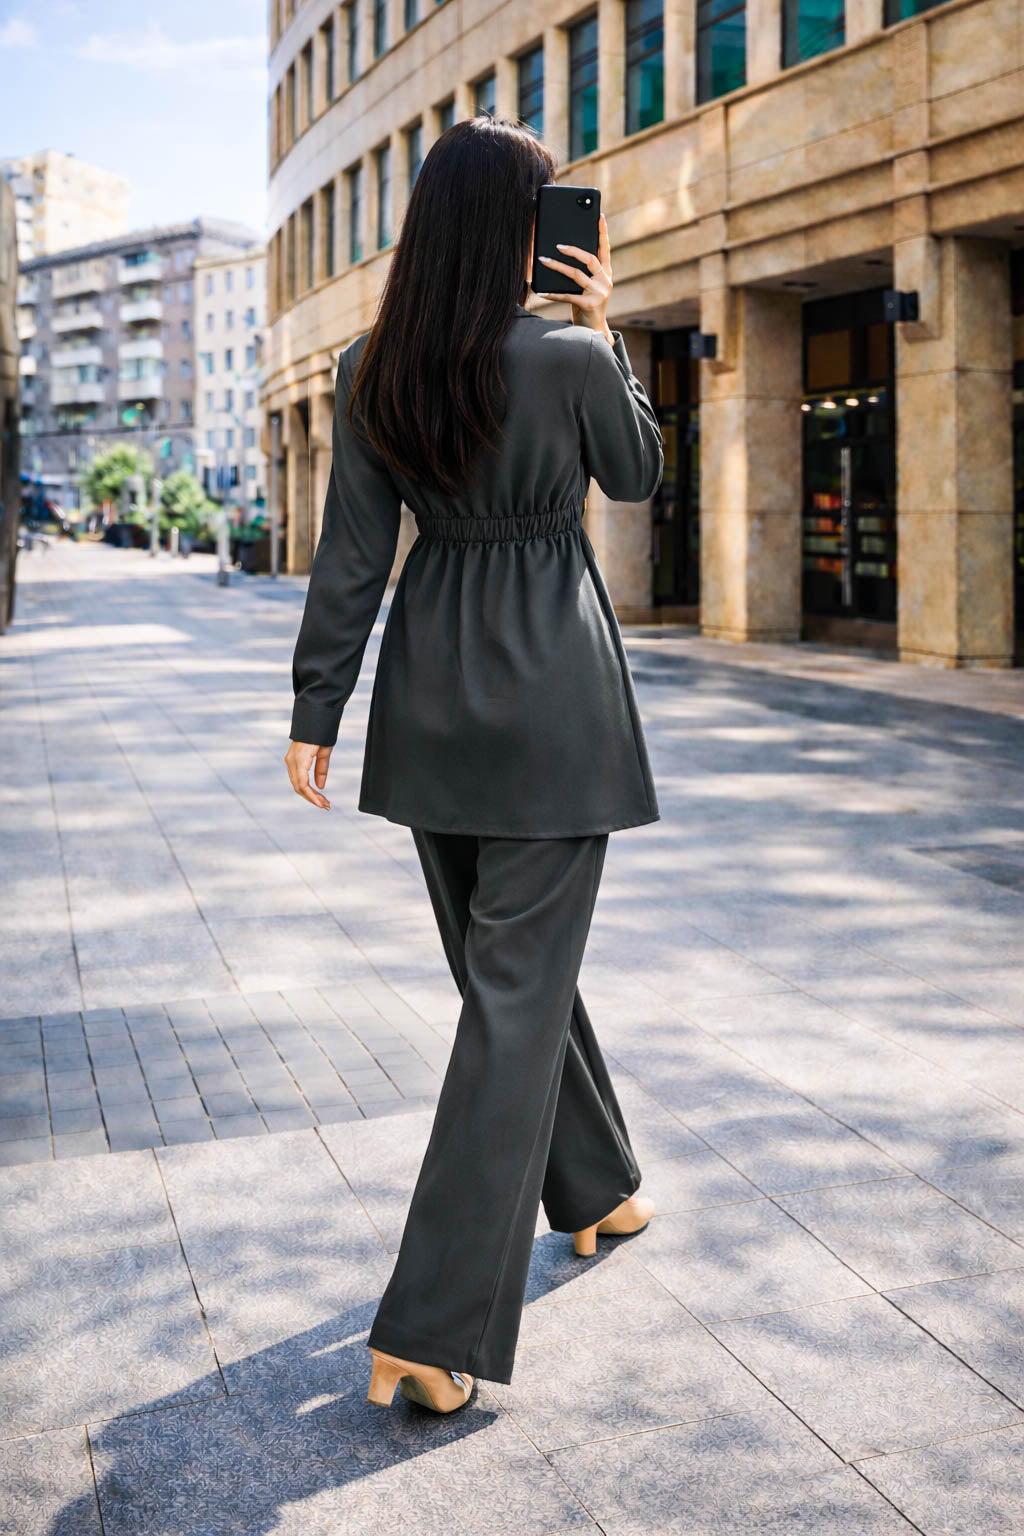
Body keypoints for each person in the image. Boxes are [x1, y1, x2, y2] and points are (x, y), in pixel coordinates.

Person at [285, 116, 662, 1415]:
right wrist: (604, 331)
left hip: (432, 699)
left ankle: (598, 1186)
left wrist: (316, 706)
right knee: (515, 993)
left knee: (505, 979)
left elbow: (349, 553)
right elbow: (637, 474)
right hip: (552, 697)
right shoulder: (564, 350)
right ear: (523, 229)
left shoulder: (367, 366)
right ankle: (430, 1331)